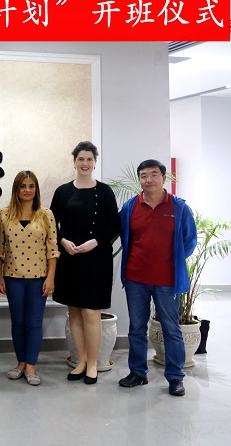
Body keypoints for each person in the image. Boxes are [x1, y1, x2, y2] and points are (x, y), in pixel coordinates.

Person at [118, 159, 197, 397]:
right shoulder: (130, 207)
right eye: (144, 175)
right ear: (139, 179)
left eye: (154, 175)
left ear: (164, 178)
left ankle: (175, 377)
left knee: (171, 328)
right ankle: (137, 373)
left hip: (167, 280)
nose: (148, 179)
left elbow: (189, 241)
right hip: (135, 278)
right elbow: (124, 236)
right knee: (136, 328)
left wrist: (170, 260)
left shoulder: (179, 207)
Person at [51, 141, 120, 385]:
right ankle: (80, 361)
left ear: (95, 162)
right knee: (75, 312)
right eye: (81, 159)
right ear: (74, 162)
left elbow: (114, 226)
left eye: (89, 159)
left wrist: (95, 242)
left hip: (96, 259)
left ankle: (92, 364)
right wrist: (63, 241)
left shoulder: (105, 192)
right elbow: (51, 225)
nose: (85, 163)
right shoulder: (62, 192)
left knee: (91, 312)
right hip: (70, 259)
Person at [0, 170, 59, 386]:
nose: (27, 190)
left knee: (34, 323)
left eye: (31, 186)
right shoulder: (4, 215)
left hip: (39, 278)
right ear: (16, 189)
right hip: (12, 277)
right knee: (18, 322)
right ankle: (20, 362)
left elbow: (52, 250)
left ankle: (31, 364)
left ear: (36, 189)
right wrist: (0, 277)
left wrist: (50, 278)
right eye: (23, 186)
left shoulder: (46, 214)